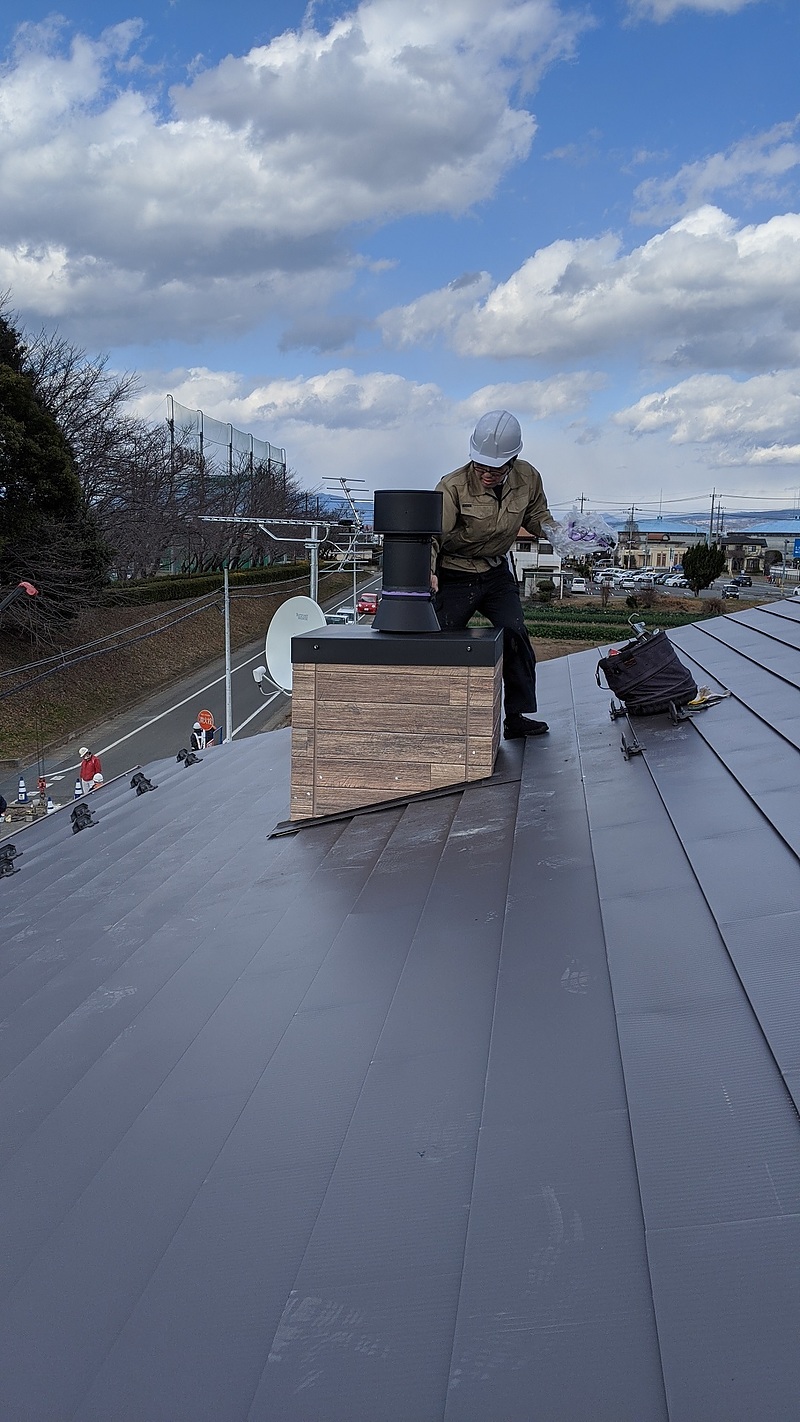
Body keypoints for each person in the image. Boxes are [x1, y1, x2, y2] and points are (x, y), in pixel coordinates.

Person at [432, 410, 553, 738]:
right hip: (453, 573)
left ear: (512, 460)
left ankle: (517, 717)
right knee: (440, 641)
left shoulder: (528, 478)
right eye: (481, 465)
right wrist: (428, 573)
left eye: (495, 468)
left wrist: (558, 532)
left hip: (496, 571)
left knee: (515, 634)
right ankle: (440, 719)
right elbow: (431, 536)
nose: (486, 473)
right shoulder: (451, 486)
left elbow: (537, 514)